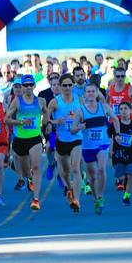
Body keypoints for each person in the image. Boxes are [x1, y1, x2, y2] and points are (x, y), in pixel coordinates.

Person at [5, 74, 46, 211]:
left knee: (36, 167)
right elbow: (7, 119)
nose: (28, 87)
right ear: (21, 87)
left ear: (34, 86)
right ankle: (28, 178)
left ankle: (36, 199)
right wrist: (20, 122)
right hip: (20, 139)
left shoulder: (40, 101)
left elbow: (46, 113)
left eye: (30, 85)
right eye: (25, 85)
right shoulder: (17, 101)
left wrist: (48, 123)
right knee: (24, 169)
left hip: (35, 138)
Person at [44, 73, 84, 212]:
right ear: (60, 87)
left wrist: (84, 125)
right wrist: (55, 121)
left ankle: (77, 200)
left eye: (69, 85)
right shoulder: (55, 102)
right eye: (64, 85)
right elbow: (46, 120)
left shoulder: (79, 100)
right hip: (61, 141)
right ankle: (69, 187)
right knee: (65, 172)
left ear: (73, 86)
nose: (67, 88)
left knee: (75, 168)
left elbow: (86, 116)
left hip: (76, 139)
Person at [81, 83, 119, 215]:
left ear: (97, 93)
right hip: (87, 146)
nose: (91, 94)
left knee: (102, 169)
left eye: (93, 91)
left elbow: (115, 119)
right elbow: (73, 129)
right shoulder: (81, 110)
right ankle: (96, 198)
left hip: (102, 143)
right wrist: (80, 127)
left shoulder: (104, 107)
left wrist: (117, 134)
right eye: (88, 92)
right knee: (92, 176)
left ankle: (101, 196)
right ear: (85, 94)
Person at [109, 102, 132, 206]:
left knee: (131, 175)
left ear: (130, 111)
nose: (123, 111)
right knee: (122, 177)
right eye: (121, 109)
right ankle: (119, 180)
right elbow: (109, 137)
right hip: (118, 155)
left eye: (125, 109)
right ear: (118, 112)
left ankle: (126, 197)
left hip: (131, 154)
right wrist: (110, 149)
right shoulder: (115, 124)